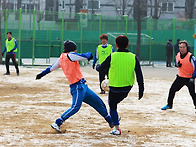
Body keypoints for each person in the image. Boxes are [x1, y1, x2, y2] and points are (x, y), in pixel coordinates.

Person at [36, 40, 113, 133]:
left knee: (98, 102)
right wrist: (89, 55)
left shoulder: (61, 58)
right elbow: (86, 55)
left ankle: (111, 121)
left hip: (83, 86)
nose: (76, 51)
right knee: (75, 107)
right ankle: (57, 122)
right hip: (77, 87)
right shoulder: (70, 56)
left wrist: (41, 74)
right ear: (72, 49)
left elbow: (50, 68)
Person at [96, 35, 144, 135]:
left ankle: (117, 128)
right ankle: (115, 117)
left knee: (112, 106)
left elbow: (100, 68)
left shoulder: (112, 56)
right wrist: (141, 90)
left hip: (114, 88)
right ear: (127, 45)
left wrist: (97, 66)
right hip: (127, 88)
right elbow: (139, 75)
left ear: (116, 45)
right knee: (116, 103)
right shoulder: (133, 57)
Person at [161, 40, 196, 113]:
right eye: (180, 47)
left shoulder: (191, 57)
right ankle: (169, 105)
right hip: (180, 77)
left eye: (183, 47)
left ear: (187, 47)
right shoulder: (177, 55)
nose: (182, 49)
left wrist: (193, 77)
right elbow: (177, 63)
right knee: (172, 90)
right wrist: (178, 65)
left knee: (192, 93)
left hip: (189, 78)